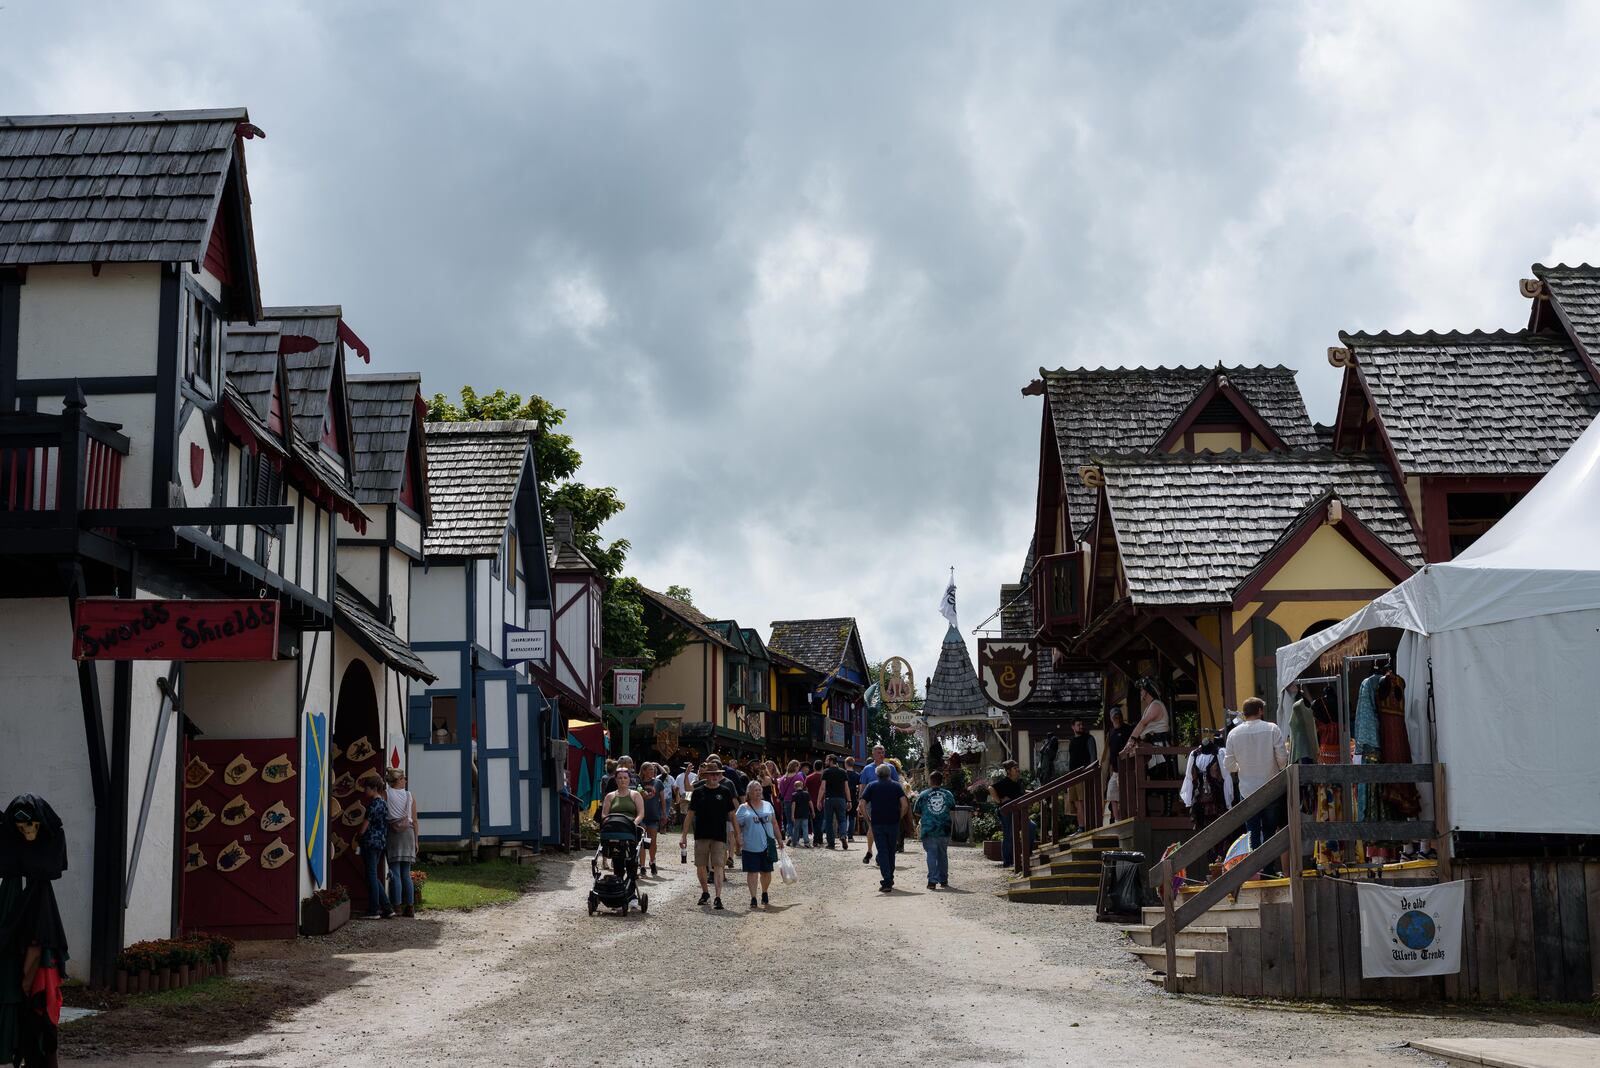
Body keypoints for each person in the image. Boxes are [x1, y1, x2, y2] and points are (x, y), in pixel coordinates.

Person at [1224, 697, 1288, 875]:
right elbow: (1283, 760)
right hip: (1270, 787)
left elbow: (1228, 766)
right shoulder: (1272, 729)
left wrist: (1242, 767)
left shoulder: (1233, 734)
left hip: (1247, 790)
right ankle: (1268, 869)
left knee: (1252, 832)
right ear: (1260, 710)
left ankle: (1255, 870)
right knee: (1269, 831)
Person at [681, 763, 740, 909]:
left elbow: (732, 815)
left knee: (719, 865)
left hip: (719, 835)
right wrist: (683, 836)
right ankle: (705, 892)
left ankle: (718, 897)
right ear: (706, 776)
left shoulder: (725, 792)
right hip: (701, 834)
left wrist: (738, 836)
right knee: (701, 865)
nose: (715, 777)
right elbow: (690, 815)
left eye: (717, 774)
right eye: (712, 774)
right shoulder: (698, 792)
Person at [1122, 678, 1176, 816]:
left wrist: (1130, 742)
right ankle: (1146, 812)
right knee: (1151, 779)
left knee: (1164, 779)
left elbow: (1142, 724)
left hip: (1159, 747)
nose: (1141, 692)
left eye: (1142, 690)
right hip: (1152, 747)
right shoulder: (1150, 706)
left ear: (1147, 691)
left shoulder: (1156, 705)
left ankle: (1167, 813)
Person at [860, 763, 909, 892]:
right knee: (891, 850)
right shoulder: (896, 786)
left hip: (877, 823)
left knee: (882, 851)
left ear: (877, 774)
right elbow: (904, 804)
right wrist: (899, 817)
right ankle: (889, 877)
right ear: (889, 773)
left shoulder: (871, 786)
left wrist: (868, 819)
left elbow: (862, 804)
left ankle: (887, 880)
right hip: (893, 822)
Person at [736, 781, 782, 909]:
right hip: (750, 845)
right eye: (755, 790)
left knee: (766, 872)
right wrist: (738, 838)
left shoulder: (768, 805)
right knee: (752, 872)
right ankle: (753, 897)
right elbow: (736, 825)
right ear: (749, 793)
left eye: (760, 790)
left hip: (767, 844)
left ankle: (765, 892)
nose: (758, 792)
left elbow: (774, 823)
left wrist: (779, 839)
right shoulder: (743, 808)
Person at [355, 779, 394, 919]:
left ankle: (374, 909)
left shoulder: (372, 805)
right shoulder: (383, 804)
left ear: (373, 788)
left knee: (370, 876)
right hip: (381, 843)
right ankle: (387, 907)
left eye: (366, 788)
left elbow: (364, 828)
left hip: (370, 843)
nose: (364, 791)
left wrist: (358, 836)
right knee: (374, 875)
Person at [384, 768, 419, 917]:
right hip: (409, 833)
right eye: (403, 778)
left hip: (393, 833)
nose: (405, 780)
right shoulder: (409, 795)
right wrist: (416, 840)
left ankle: (397, 906)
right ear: (398, 780)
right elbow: (415, 820)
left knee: (395, 873)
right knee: (406, 873)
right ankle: (410, 907)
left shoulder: (386, 794)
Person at [857, 745, 901, 865]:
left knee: (882, 827)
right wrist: (860, 803)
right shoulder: (867, 769)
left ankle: (877, 853)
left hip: (887, 802)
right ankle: (870, 850)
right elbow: (862, 787)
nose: (881, 754)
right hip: (871, 801)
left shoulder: (891, 768)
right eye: (878, 752)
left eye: (882, 752)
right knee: (872, 826)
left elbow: (897, 786)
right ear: (873, 754)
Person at [913, 770, 956, 889]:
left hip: (929, 829)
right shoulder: (948, 794)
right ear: (942, 781)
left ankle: (932, 881)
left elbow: (916, 811)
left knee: (931, 854)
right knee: (943, 854)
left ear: (930, 780)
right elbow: (952, 808)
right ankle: (944, 879)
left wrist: (926, 816)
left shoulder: (923, 795)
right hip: (944, 828)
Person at [1064, 718, 1097, 829]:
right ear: (1073, 727)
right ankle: (1081, 827)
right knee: (1077, 802)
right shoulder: (1072, 741)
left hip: (1084, 774)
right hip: (1073, 775)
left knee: (1084, 801)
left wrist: (1090, 772)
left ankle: (1089, 826)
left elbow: (1093, 758)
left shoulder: (1089, 738)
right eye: (1078, 725)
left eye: (1082, 724)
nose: (1081, 726)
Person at [990, 760, 1024, 866]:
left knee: (1031, 827)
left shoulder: (1019, 782)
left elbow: (1021, 793)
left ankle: (1026, 855)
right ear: (1009, 771)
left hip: (1018, 811)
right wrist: (999, 801)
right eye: (1015, 768)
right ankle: (1008, 861)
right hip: (1006, 812)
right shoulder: (1005, 782)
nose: (1017, 770)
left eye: (1017, 767)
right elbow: (991, 788)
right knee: (1009, 835)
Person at [1104, 707, 1133, 821]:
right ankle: (1117, 819)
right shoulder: (1111, 732)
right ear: (1111, 719)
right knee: (1111, 793)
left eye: (1119, 716)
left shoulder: (1128, 729)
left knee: (1125, 795)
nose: (1117, 719)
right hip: (1115, 770)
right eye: (1115, 717)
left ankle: (1126, 818)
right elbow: (1109, 752)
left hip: (1126, 769)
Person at [819, 754, 851, 849]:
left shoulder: (826, 772)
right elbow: (846, 788)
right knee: (842, 819)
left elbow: (822, 788)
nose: (825, 762)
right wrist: (849, 800)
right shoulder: (843, 772)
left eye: (826, 760)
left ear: (831, 760)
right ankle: (842, 835)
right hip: (841, 799)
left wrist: (819, 801)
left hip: (829, 799)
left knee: (829, 821)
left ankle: (831, 843)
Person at [639, 773, 665, 876]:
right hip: (641, 816)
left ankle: (652, 861)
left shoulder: (658, 783)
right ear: (644, 771)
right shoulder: (638, 782)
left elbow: (662, 799)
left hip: (653, 815)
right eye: (649, 770)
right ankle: (642, 866)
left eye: (653, 770)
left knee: (652, 842)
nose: (652, 772)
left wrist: (664, 813)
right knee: (641, 841)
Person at [780, 760, 806, 842]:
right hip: (798, 801)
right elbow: (803, 787)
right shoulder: (799, 777)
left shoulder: (783, 778)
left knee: (789, 820)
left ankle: (790, 836)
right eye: (798, 766)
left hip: (787, 800)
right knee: (797, 820)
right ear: (795, 767)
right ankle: (796, 838)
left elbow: (781, 791)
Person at [804, 760, 826, 847]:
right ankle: (818, 840)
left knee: (814, 821)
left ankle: (817, 839)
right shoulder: (824, 778)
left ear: (814, 767)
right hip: (821, 801)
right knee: (820, 821)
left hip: (811, 802)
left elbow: (806, 790)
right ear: (822, 767)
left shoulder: (809, 777)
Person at [789, 772, 814, 847]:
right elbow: (810, 803)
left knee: (796, 829)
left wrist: (792, 814)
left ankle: (795, 842)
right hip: (805, 814)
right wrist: (812, 811)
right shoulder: (806, 794)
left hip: (797, 814)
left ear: (795, 787)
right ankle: (806, 842)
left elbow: (793, 805)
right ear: (802, 786)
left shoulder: (794, 795)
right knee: (805, 828)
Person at [674, 761, 698, 826]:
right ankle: (690, 826)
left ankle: (684, 826)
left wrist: (677, 797)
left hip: (684, 794)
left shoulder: (679, 776)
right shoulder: (695, 775)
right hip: (693, 794)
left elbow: (676, 788)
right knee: (692, 811)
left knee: (684, 812)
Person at [843, 757, 860, 843]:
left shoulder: (843, 773)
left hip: (843, 797)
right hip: (853, 797)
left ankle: (843, 834)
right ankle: (850, 836)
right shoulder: (857, 775)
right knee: (852, 818)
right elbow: (859, 788)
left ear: (845, 764)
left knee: (843, 817)